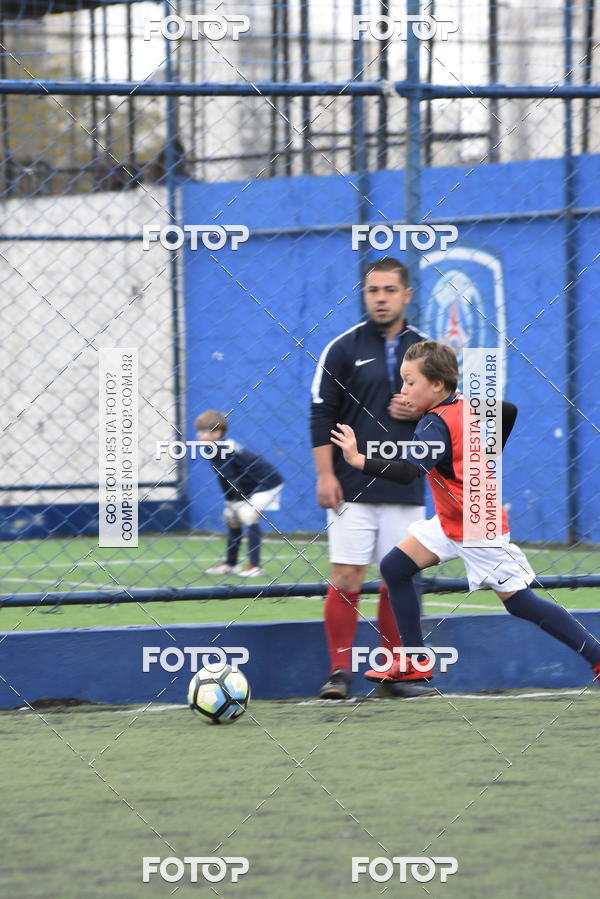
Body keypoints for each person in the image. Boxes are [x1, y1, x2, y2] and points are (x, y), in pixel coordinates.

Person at [330, 340, 600, 684]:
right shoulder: (462, 406)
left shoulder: (433, 424)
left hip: (476, 528)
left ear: (437, 385)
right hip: (452, 520)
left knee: (520, 602)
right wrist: (486, 459)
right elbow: (508, 410)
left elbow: (409, 471)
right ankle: (414, 660)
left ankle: (597, 654)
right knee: (395, 567)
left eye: (410, 382)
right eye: (403, 381)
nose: (403, 390)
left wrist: (357, 460)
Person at [310, 257, 429, 699]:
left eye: (389, 290)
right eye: (373, 291)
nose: (381, 298)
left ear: (406, 295)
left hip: (406, 484)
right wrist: (325, 474)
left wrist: (418, 408)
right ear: (365, 295)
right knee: (345, 577)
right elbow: (321, 415)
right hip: (351, 487)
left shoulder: (428, 350)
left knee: (399, 578)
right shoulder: (342, 348)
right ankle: (338, 674)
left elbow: (449, 411)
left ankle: (396, 672)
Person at [196, 410, 284, 578]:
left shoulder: (222, 448)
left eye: (203, 431)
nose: (199, 435)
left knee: (247, 515)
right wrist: (230, 503)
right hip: (251, 485)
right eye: (198, 431)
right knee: (232, 519)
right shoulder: (213, 449)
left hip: (268, 482)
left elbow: (231, 479)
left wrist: (239, 502)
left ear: (217, 433)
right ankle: (231, 564)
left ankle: (255, 567)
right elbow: (225, 479)